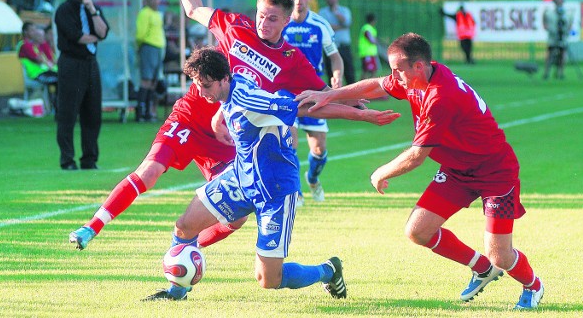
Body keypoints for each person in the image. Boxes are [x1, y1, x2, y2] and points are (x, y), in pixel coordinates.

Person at [67, 0, 354, 282]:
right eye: (261, 14)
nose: (263, 21)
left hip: (229, 133)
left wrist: (361, 101)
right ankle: (93, 227)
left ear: (285, 21)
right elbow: (191, 7)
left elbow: (321, 96)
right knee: (150, 171)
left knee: (236, 220)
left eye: (272, 17)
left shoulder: (291, 60)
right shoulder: (235, 25)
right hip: (190, 116)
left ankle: (188, 253)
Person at [296, 33, 545, 310]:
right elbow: (376, 86)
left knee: (500, 254)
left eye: (397, 70)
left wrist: (381, 173)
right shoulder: (417, 76)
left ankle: (533, 285)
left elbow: (416, 156)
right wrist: (329, 93)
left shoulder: (440, 96)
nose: (393, 76)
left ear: (418, 66)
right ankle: (483, 270)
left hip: (495, 172)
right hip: (457, 170)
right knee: (418, 231)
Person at [143, 46, 398, 301]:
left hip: (275, 190)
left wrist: (362, 115)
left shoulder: (251, 101)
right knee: (185, 226)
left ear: (224, 79)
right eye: (197, 85)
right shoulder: (233, 83)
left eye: (206, 86)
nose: (201, 92)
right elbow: (237, 91)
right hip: (241, 179)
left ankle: (329, 271)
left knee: (269, 279)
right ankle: (176, 293)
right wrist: (219, 115)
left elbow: (306, 108)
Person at [283, 0, 345, 204]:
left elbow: (335, 57)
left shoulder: (320, 25)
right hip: (286, 92)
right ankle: (295, 190)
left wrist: (336, 74)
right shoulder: (279, 23)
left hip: (314, 91)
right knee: (289, 139)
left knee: (319, 150)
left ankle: (312, 179)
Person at [54, 0, 108, 170]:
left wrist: (92, 11)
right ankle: (67, 160)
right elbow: (77, 37)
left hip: (91, 63)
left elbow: (103, 32)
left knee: (93, 113)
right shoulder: (64, 10)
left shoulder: (93, 8)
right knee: (68, 114)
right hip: (71, 63)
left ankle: (89, 159)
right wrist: (95, 37)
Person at [135, 0, 165, 122]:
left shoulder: (158, 14)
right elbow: (140, 34)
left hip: (158, 47)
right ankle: (140, 112)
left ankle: (148, 112)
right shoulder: (144, 13)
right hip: (148, 46)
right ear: (147, 0)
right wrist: (141, 47)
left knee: (153, 80)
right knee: (146, 79)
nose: (156, 1)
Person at [319, 0, 356, 85]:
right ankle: (334, 98)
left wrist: (336, 13)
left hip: (344, 47)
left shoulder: (344, 10)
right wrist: (341, 27)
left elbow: (347, 22)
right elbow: (325, 28)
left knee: (349, 73)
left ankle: (352, 97)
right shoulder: (322, 12)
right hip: (330, 47)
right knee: (332, 75)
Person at [17, 21, 58, 109]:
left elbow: (47, 59)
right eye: (32, 30)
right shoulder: (25, 45)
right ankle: (56, 108)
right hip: (36, 75)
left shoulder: (33, 45)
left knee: (62, 79)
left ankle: (55, 107)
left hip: (43, 72)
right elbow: (39, 60)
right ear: (25, 32)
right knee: (60, 81)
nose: (34, 32)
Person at [542, 0, 572, 79]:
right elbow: (545, 19)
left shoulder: (567, 14)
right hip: (553, 37)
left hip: (563, 37)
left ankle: (560, 73)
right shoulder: (549, 13)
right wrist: (546, 27)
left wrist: (567, 31)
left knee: (562, 55)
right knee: (550, 55)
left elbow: (569, 23)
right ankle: (546, 72)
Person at [358, 13, 380, 80]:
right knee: (369, 71)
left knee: (368, 70)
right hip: (367, 53)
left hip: (371, 53)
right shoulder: (367, 28)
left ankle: (365, 86)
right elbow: (370, 39)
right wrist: (376, 42)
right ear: (373, 20)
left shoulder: (371, 28)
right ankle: (365, 86)